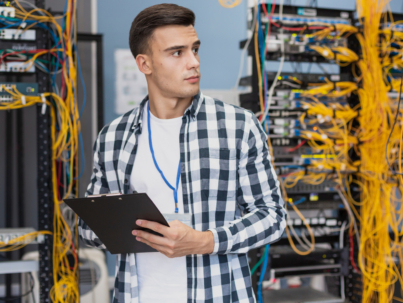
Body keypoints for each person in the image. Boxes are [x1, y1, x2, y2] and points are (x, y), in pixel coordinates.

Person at [78, 3, 286, 303]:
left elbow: (273, 217)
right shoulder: (114, 136)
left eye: (195, 49)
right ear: (144, 64)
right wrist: (119, 224)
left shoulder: (238, 126)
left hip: (219, 295)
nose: (194, 62)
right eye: (177, 52)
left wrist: (205, 241)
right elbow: (88, 229)